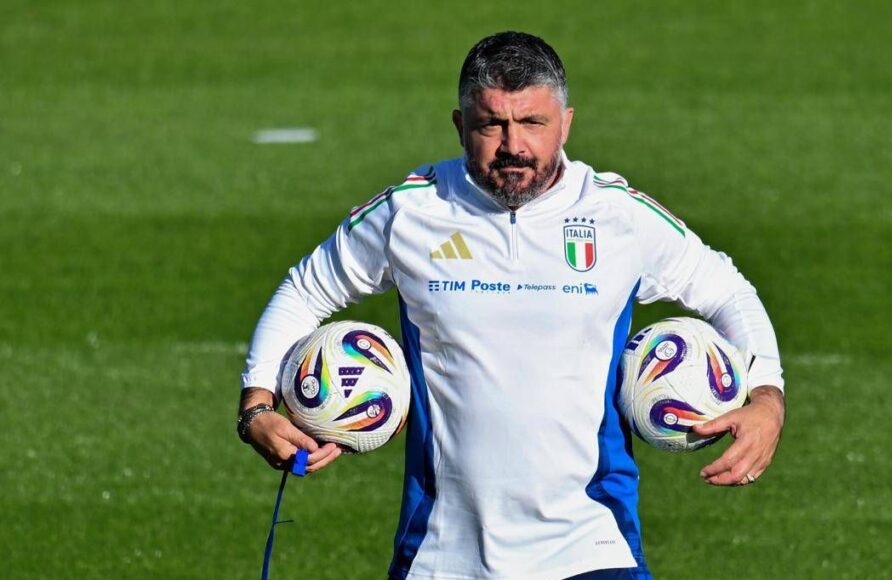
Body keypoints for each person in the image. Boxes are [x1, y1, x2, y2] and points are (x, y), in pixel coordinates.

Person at [237, 31, 786, 580]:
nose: (512, 145)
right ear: (460, 126)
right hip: (442, 553)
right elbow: (304, 290)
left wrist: (767, 399)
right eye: (491, 125)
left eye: (532, 123)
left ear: (565, 124)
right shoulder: (412, 211)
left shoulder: (619, 215)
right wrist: (257, 408)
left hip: (595, 546)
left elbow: (728, 291)